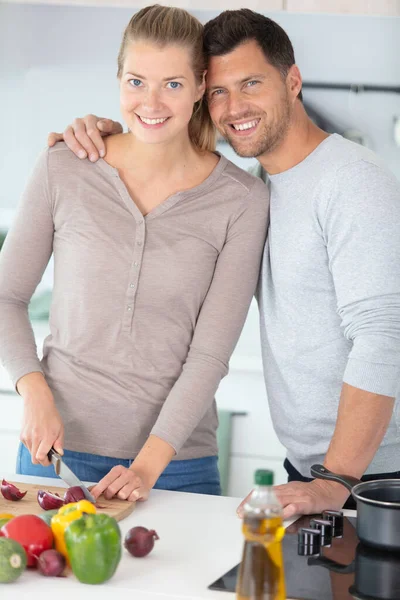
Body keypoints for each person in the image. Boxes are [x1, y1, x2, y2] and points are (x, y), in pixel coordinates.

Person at [51, 8, 400, 518]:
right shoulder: (263, 187)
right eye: (217, 91)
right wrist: (103, 131)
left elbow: (383, 331)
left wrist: (338, 479)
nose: (234, 106)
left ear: (293, 81)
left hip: (375, 480)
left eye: (251, 84)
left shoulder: (351, 179)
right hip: (316, 474)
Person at [0, 5, 270, 503]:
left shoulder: (242, 200)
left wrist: (146, 467)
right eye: (136, 81)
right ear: (118, 80)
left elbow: (209, 354)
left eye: (172, 84)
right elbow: (7, 296)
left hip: (176, 466)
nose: (151, 102)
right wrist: (32, 390)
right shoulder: (65, 166)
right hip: (56, 452)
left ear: (198, 87)